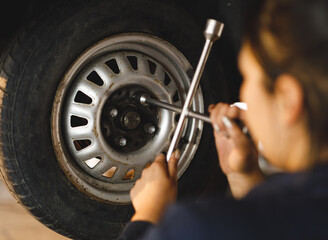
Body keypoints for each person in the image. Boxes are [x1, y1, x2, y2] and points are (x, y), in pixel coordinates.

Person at [118, 0, 328, 239]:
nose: (245, 92)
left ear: (288, 100)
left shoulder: (197, 227)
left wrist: (147, 216)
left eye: (248, 76)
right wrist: (245, 177)